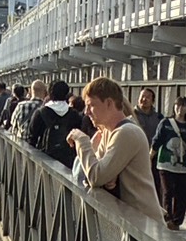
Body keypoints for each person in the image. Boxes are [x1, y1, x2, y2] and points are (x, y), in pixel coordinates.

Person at [69, 76, 161, 220]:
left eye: (91, 105)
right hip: (132, 221)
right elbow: (93, 173)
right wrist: (107, 175)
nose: (86, 112)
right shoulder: (109, 132)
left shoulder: (126, 132)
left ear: (109, 103)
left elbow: (96, 176)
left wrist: (82, 141)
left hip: (144, 225)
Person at [150, 96, 186, 230]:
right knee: (167, 191)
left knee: (182, 193)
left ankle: (177, 221)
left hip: (183, 166)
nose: (180, 108)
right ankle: (167, 218)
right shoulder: (166, 123)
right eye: (177, 105)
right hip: (166, 164)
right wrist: (150, 157)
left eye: (183, 106)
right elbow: (157, 141)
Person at [29, 79, 77, 167]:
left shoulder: (41, 112)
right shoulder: (74, 114)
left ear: (49, 93)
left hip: (45, 160)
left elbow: (32, 137)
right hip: (67, 161)